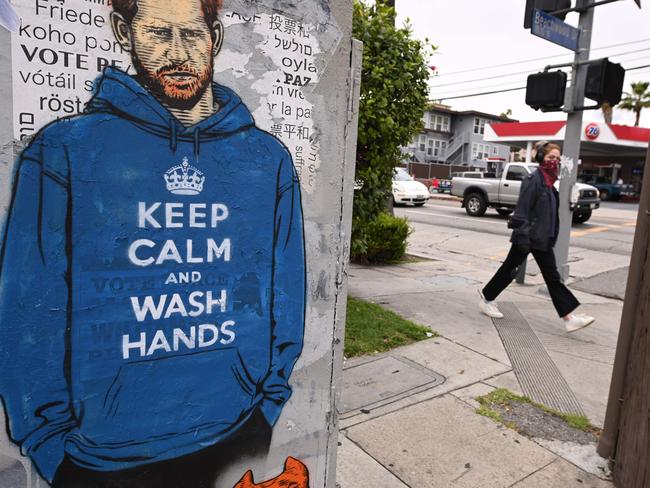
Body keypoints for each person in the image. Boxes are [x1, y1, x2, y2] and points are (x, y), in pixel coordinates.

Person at [0, 0, 306, 486]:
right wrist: (49, 443)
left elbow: (285, 293)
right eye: (159, 35)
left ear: (216, 38)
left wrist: (267, 405)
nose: (179, 53)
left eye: (192, 35)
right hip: (101, 462)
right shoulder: (66, 150)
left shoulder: (266, 159)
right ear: (125, 33)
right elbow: (28, 312)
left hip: (240, 435)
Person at [478, 141, 594, 333]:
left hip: (542, 240)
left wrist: (551, 236)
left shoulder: (550, 184)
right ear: (541, 158)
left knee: (552, 277)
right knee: (510, 269)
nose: (554, 161)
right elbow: (522, 211)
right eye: (550, 158)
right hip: (527, 237)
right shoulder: (533, 180)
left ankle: (569, 318)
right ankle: (487, 299)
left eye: (557, 158)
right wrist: (523, 239)